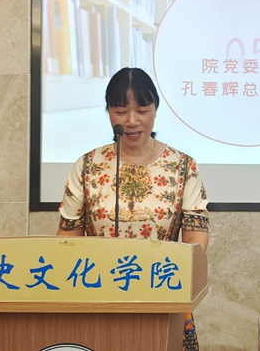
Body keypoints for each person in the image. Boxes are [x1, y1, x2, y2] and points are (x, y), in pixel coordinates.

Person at [57, 67, 209, 351]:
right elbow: (67, 240)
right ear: (108, 112)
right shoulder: (88, 165)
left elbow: (196, 240)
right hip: (99, 298)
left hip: (164, 296)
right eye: (119, 111)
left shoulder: (182, 166)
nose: (131, 121)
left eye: (141, 110)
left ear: (155, 109)